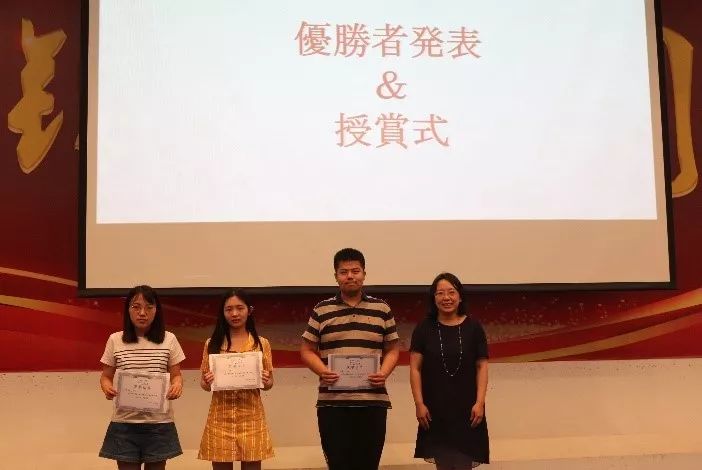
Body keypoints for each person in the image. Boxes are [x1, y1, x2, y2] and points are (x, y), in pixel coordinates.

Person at [300, 247, 400, 470]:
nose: (350, 276)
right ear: (336, 276)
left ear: (364, 274)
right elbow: (306, 349)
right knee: (338, 465)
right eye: (344, 272)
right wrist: (322, 371)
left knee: (368, 464)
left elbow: (393, 349)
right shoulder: (321, 310)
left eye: (355, 271)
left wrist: (383, 373)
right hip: (332, 404)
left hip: (373, 402)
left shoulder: (382, 308)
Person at [98, 285, 186, 470]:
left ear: (157, 310)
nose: (142, 313)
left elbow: (177, 376)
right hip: (124, 424)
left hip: (159, 424)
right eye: (136, 307)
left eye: (149, 307)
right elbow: (105, 377)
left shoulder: (169, 339)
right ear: (128, 310)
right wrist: (106, 387)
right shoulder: (115, 339)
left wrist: (177, 385)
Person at [410, 272, 490, 469]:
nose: (446, 297)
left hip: (468, 410)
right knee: (444, 464)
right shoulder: (423, 328)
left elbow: (482, 366)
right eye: (440, 293)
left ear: (460, 296)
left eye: (451, 292)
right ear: (433, 298)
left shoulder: (474, 328)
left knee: (463, 463)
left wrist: (480, 402)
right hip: (435, 411)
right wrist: (419, 404)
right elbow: (415, 368)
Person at [198, 289, 274, 470]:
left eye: (240, 308)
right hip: (220, 419)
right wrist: (207, 381)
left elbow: (269, 384)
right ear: (223, 312)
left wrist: (266, 380)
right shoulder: (212, 343)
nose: (234, 314)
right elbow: (203, 384)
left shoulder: (261, 343)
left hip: (252, 418)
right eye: (229, 309)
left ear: (249, 310)